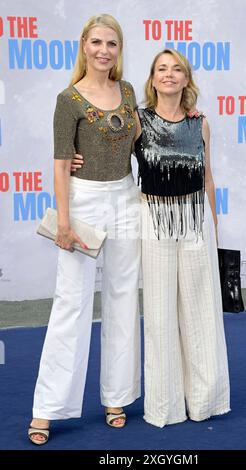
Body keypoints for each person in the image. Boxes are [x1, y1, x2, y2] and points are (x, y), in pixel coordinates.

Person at [72, 49, 230, 428]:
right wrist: (77, 158)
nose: (169, 75)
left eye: (177, 69)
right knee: (159, 314)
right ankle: (165, 406)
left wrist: (214, 224)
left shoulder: (201, 123)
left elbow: (208, 177)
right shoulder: (138, 121)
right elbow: (110, 157)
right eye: (162, 69)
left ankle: (204, 401)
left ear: (186, 79)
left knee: (201, 310)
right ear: (152, 78)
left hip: (195, 220)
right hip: (154, 220)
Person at [28, 14, 141, 445]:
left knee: (123, 296)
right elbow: (60, 164)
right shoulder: (68, 99)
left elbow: (134, 142)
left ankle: (118, 396)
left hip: (126, 198)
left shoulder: (128, 91)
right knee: (72, 303)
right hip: (84, 203)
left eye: (112, 43)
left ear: (119, 48)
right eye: (97, 42)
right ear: (83, 45)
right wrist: (64, 220)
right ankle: (48, 409)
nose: (104, 51)